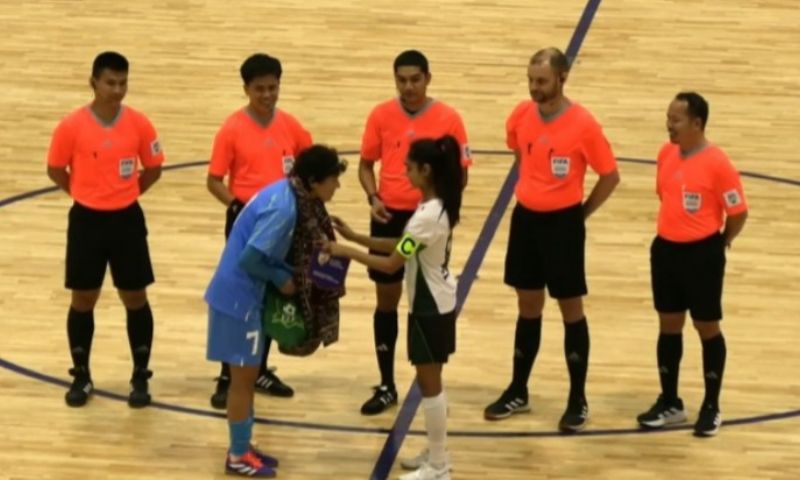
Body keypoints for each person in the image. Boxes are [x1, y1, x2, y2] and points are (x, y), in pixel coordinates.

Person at [483, 47, 620, 433]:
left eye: (541, 81)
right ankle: (518, 390)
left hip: (563, 225)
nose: (534, 88)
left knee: (570, 308)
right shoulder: (521, 115)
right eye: (530, 80)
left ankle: (578, 399)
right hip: (526, 220)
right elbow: (519, 152)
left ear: (562, 78)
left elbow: (610, 176)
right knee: (528, 305)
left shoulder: (584, 125)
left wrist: (579, 215)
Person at [205, 145, 346, 477]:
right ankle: (237, 456)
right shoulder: (284, 208)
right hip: (238, 300)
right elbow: (250, 259)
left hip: (244, 297)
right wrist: (282, 278)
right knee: (242, 382)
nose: (337, 186)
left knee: (248, 379)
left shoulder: (287, 193)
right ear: (314, 181)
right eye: (333, 180)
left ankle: (243, 445)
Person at [329, 135, 462, 480]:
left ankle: (438, 466)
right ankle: (437, 452)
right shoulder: (434, 206)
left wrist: (346, 252)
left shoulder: (427, 215)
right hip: (437, 301)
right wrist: (356, 237)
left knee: (429, 384)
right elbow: (403, 244)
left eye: (409, 167)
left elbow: (391, 264)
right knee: (432, 381)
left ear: (426, 170)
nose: (404, 171)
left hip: (429, 306)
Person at [46, 51, 164, 408]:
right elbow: (55, 169)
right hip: (87, 221)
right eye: (110, 83)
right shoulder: (71, 126)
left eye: (123, 83)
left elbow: (154, 168)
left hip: (127, 220)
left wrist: (125, 194)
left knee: (135, 297)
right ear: (93, 83)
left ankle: (140, 376)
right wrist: (84, 194)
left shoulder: (139, 124)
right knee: (83, 299)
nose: (117, 90)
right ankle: (81, 375)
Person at [358, 49, 471, 415]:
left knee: (425, 296)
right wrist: (373, 197)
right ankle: (386, 384)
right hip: (389, 216)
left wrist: (442, 210)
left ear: (428, 78)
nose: (408, 87)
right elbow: (365, 165)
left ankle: (431, 379)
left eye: (415, 79)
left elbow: (461, 173)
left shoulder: (449, 118)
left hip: (426, 221)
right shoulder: (380, 115)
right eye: (401, 80)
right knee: (386, 300)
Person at [636, 92, 748, 437]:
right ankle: (670, 402)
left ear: (697, 124)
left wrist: (720, 242)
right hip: (666, 251)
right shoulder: (665, 154)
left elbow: (738, 212)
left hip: (702, 255)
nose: (669, 125)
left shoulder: (718, 163)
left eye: (676, 120)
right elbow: (665, 195)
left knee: (706, 326)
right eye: (668, 118)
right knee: (668, 326)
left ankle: (711, 405)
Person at [207, 53, 312, 409]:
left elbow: (308, 171)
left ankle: (260, 368)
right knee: (242, 300)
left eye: (272, 87)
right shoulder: (232, 129)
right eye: (259, 89)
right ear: (246, 89)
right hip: (246, 226)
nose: (267, 95)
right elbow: (214, 180)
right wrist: (236, 206)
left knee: (270, 298)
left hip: (282, 227)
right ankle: (228, 374)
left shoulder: (292, 127)